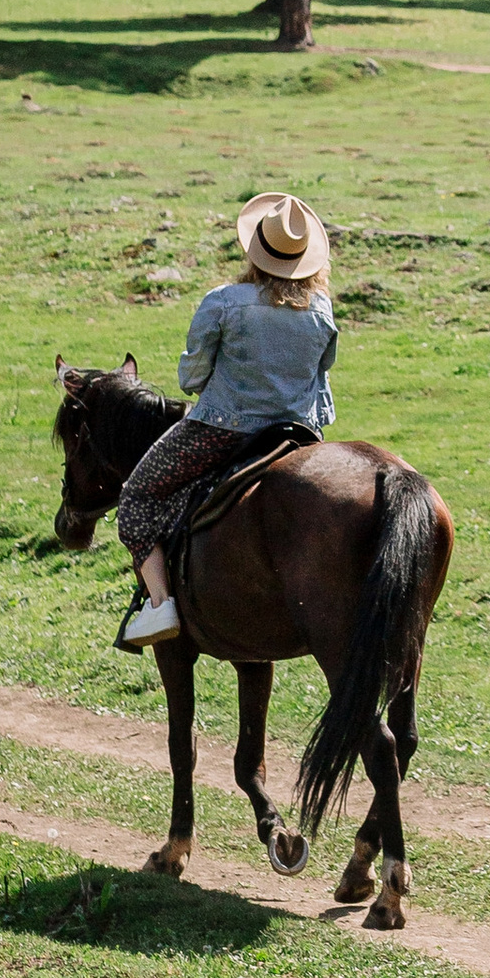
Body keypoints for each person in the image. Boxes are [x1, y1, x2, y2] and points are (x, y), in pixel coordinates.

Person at [115, 190, 341, 645]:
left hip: (219, 431)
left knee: (137, 499)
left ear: (254, 250)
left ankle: (160, 604)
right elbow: (322, 382)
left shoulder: (223, 302)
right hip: (297, 437)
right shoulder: (321, 309)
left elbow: (192, 376)